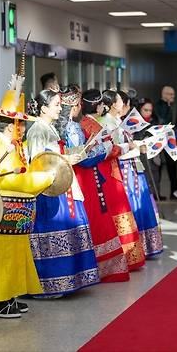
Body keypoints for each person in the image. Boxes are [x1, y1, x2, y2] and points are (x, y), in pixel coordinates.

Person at [0, 56, 56, 318]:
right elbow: (6, 179)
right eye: (20, 123)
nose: (23, 128)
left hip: (17, 215)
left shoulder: (15, 147)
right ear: (9, 125)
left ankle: (9, 296)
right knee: (2, 259)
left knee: (15, 258)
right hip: (4, 214)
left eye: (23, 123)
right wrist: (43, 179)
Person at [26, 90, 100, 296]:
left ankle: (70, 280)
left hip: (62, 184)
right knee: (53, 233)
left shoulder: (49, 128)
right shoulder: (37, 131)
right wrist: (67, 160)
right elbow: (39, 164)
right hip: (49, 190)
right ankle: (51, 283)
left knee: (71, 229)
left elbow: (54, 156)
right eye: (57, 104)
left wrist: (71, 155)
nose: (61, 108)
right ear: (43, 108)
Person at [58, 87, 131, 282]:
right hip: (84, 175)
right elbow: (83, 158)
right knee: (95, 218)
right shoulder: (73, 126)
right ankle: (98, 267)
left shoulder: (66, 126)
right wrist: (103, 149)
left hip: (71, 176)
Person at [102, 90, 164, 258]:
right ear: (114, 104)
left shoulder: (117, 122)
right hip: (123, 168)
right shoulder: (108, 123)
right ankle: (131, 248)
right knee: (132, 205)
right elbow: (113, 150)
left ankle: (143, 246)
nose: (126, 106)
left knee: (140, 203)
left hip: (131, 168)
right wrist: (134, 147)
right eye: (124, 103)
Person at [154, 86, 177, 199]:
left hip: (168, 138)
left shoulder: (169, 105)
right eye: (171, 94)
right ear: (164, 94)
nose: (173, 97)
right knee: (160, 166)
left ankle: (173, 192)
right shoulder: (160, 106)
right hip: (161, 138)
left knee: (172, 166)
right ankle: (157, 193)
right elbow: (163, 120)